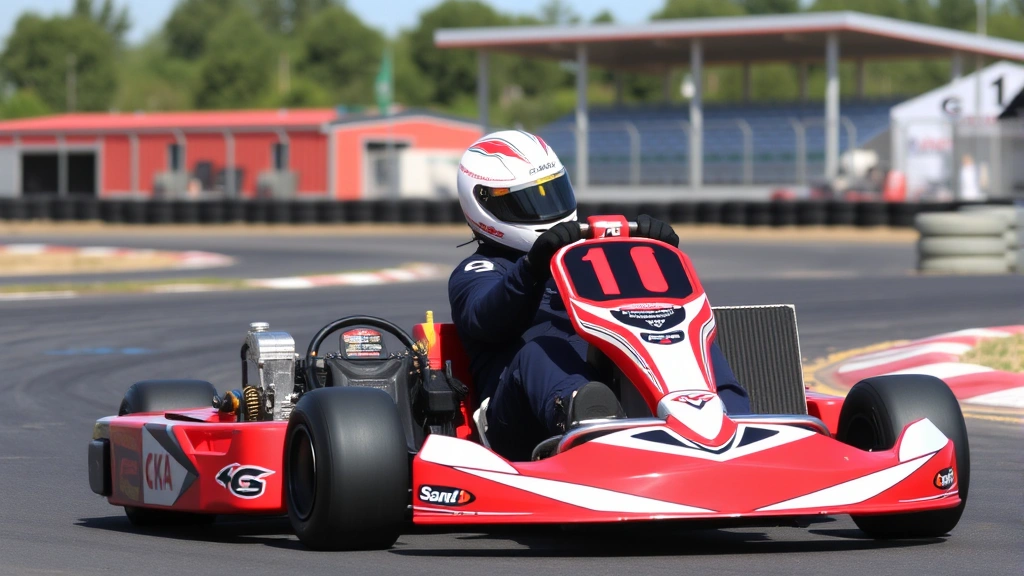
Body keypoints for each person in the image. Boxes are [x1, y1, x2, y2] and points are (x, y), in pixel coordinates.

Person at [449, 130, 750, 461]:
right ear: (485, 203)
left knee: (685, 334)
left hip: (616, 396)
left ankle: (735, 425)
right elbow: (485, 319)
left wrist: (652, 253)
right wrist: (533, 266)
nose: (545, 209)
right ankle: (596, 431)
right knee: (543, 349)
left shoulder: (588, 260)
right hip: (518, 425)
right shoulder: (478, 270)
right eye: (527, 200)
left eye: (551, 193)